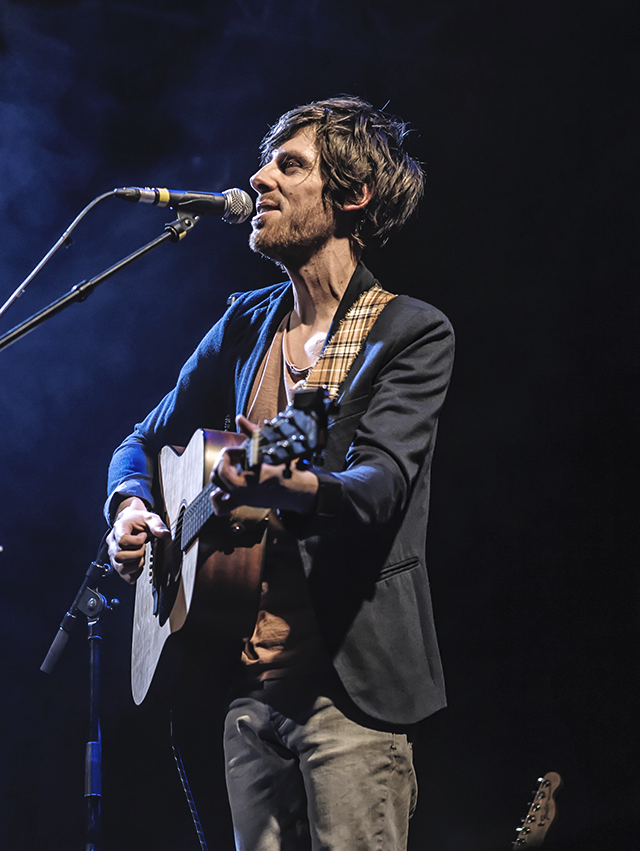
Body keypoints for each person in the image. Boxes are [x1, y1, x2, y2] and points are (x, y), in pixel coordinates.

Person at [105, 95, 454, 851]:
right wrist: (131, 507)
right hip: (239, 687)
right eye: (265, 162)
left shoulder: (407, 331)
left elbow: (376, 491)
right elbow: (139, 439)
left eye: (288, 165)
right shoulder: (244, 323)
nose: (258, 178)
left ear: (351, 196)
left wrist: (271, 484)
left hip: (347, 692)